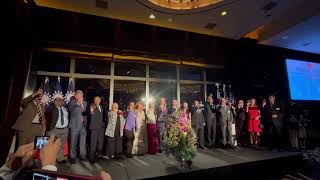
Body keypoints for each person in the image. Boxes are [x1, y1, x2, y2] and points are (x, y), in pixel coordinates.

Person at [45, 95, 69, 163]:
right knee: (50, 145)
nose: (59, 101)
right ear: (54, 101)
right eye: (57, 100)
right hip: (54, 129)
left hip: (64, 129)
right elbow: (47, 113)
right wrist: (53, 105)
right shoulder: (52, 108)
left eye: (61, 100)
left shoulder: (65, 109)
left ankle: (60, 158)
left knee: (61, 145)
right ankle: (49, 159)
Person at [68, 90, 88, 163]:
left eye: (81, 96)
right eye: (79, 96)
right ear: (75, 96)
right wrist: (77, 102)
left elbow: (84, 111)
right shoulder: (72, 102)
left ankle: (82, 155)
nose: (80, 97)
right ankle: (72, 157)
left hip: (82, 126)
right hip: (74, 126)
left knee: (83, 142)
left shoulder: (85, 103)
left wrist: (81, 103)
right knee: (73, 142)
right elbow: (70, 108)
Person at [88, 96, 105, 163]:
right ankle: (91, 157)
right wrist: (91, 111)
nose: (97, 101)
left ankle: (98, 155)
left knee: (100, 143)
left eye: (98, 99)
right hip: (94, 128)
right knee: (93, 143)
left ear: (100, 100)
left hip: (101, 128)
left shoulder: (101, 107)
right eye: (96, 100)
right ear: (94, 100)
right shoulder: (92, 106)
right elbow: (90, 113)